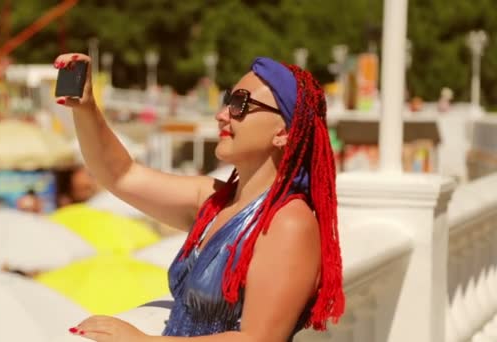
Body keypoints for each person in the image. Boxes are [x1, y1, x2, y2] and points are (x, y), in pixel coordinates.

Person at [54, 53, 344, 341]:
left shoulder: (289, 222)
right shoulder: (213, 200)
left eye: (240, 104)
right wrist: (86, 108)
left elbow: (259, 339)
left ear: (283, 133)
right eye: (227, 100)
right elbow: (121, 175)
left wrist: (142, 341)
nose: (222, 114)